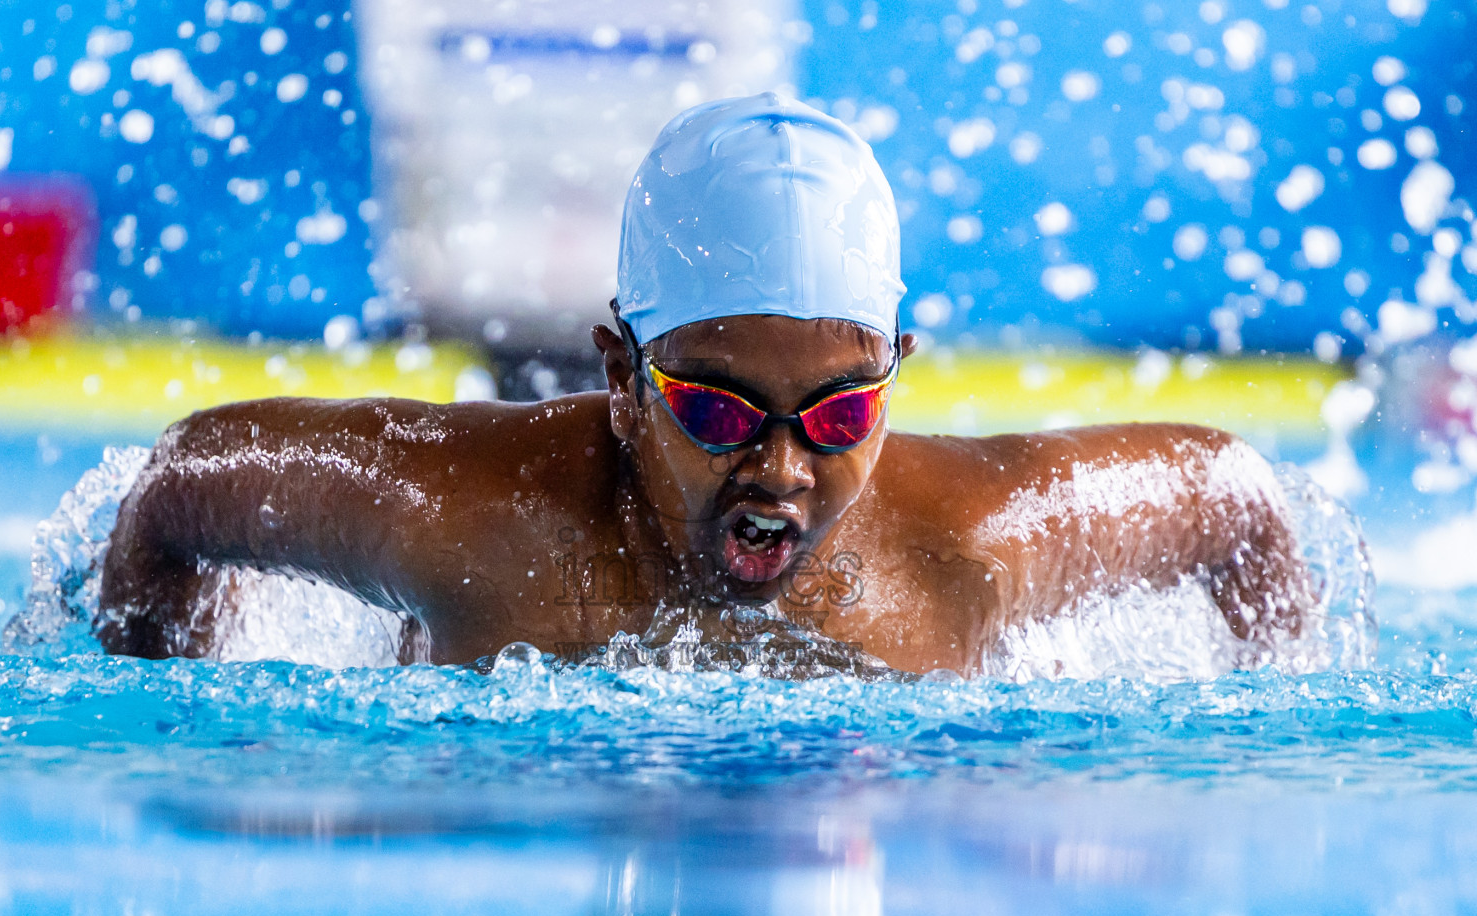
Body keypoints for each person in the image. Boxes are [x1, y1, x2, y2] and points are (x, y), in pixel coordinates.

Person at [97, 93, 1316, 675]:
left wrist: (1272, 743)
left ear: (898, 376)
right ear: (621, 373)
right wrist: (180, 728)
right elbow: (178, 487)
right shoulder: (465, 519)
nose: (780, 469)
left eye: (840, 413)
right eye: (721, 409)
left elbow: (1241, 503)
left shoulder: (967, 547)